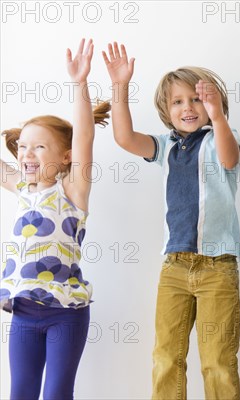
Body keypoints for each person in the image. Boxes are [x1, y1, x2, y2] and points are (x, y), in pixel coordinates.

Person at [103, 42, 240, 399]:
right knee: (166, 357)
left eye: (196, 99)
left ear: (212, 104)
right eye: (178, 101)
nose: (188, 108)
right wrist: (120, 86)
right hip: (174, 268)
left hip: (217, 267)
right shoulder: (165, 146)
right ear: (167, 110)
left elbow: (228, 160)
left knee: (218, 362)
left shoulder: (219, 139)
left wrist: (219, 116)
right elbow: (124, 138)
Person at [0, 39, 110, 399]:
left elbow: (85, 136)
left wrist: (79, 83)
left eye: (39, 146)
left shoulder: (72, 191)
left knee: (57, 393)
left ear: (65, 157)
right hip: (23, 315)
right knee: (21, 392)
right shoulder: (22, 187)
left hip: (65, 313)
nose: (26, 153)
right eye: (22, 146)